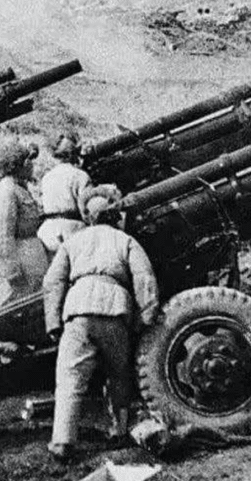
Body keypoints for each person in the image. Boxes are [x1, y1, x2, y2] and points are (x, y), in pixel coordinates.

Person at [42, 185, 160, 460]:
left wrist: (53, 323)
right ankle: (119, 431)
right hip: (114, 309)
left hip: (78, 310)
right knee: (119, 375)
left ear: (88, 216)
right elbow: (144, 279)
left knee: (70, 378)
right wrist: (145, 318)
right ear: (114, 215)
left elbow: (53, 281)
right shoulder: (125, 241)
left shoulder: (73, 242)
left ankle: (62, 441)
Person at [0, 142, 48, 311]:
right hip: (18, 267)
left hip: (30, 261)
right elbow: (2, 236)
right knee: (7, 309)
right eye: (28, 161)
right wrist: (12, 273)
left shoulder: (18, 187)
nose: (31, 165)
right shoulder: (7, 190)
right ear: (18, 164)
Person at [37, 132, 91, 256]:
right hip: (73, 231)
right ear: (73, 153)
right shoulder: (80, 176)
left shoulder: (46, 177)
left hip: (48, 233)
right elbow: (87, 211)